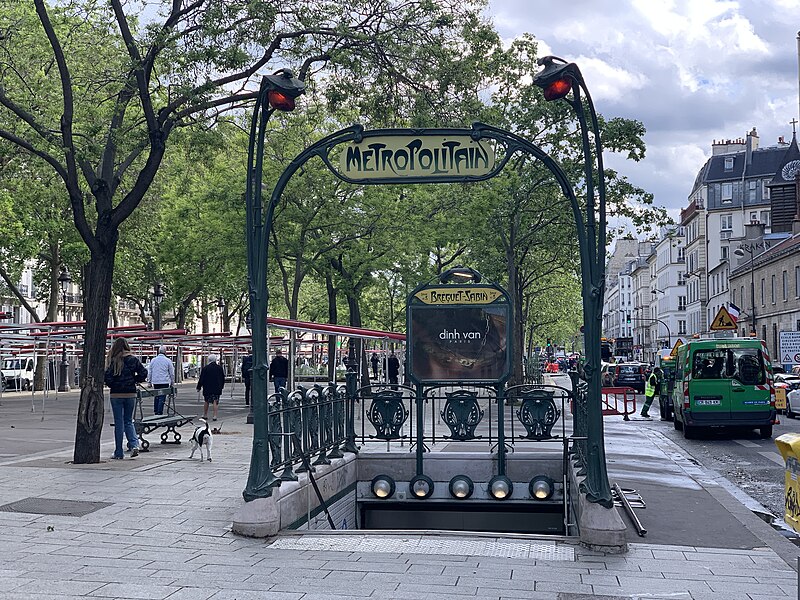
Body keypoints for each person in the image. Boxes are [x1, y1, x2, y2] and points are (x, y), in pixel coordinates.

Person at [104, 338, 147, 459]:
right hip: (130, 394)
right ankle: (134, 445)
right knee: (128, 421)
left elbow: (107, 377)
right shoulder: (133, 359)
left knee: (119, 423)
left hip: (116, 395)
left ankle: (119, 452)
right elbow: (144, 373)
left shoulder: (112, 360)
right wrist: (135, 380)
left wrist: (113, 384)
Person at [197, 354, 225, 421]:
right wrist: (221, 386)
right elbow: (222, 378)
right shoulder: (219, 368)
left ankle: (205, 414)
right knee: (215, 401)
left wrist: (199, 387)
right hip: (217, 387)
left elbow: (202, 378)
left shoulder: (205, 368)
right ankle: (215, 416)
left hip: (207, 387)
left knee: (206, 401)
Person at [147, 345, 174, 415]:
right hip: (164, 381)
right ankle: (159, 411)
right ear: (165, 352)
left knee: (156, 396)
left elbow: (150, 371)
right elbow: (172, 373)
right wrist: (172, 382)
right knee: (162, 396)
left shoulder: (153, 360)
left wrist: (149, 381)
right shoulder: (168, 361)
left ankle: (156, 410)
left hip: (155, 381)